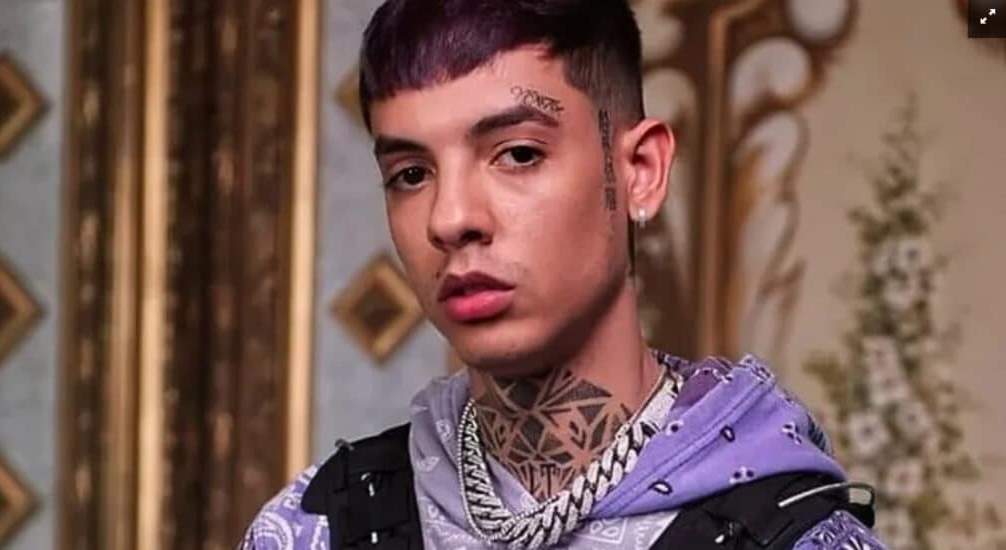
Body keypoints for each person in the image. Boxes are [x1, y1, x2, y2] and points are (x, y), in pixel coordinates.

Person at [240, 0, 887, 548]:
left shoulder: (795, 536)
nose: (451, 218)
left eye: (518, 154)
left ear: (640, 172)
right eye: (411, 174)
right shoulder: (316, 527)